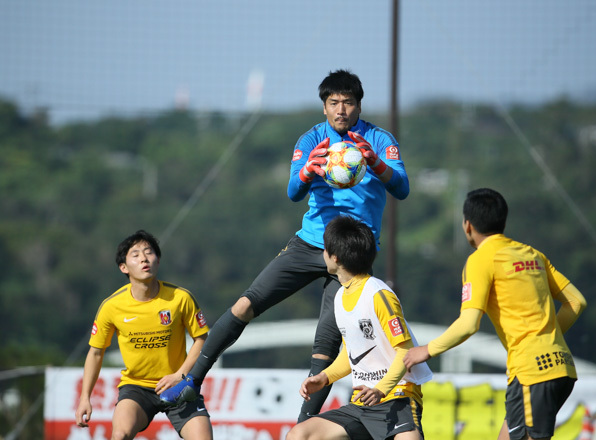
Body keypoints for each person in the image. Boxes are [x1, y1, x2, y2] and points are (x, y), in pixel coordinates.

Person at [160, 69, 410, 422]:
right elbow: (294, 192)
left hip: (353, 251)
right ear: (324, 106)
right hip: (311, 243)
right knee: (246, 304)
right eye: (334, 102)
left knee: (327, 341)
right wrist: (309, 171)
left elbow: (402, 188)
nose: (341, 110)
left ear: (359, 105)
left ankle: (304, 425)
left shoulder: (379, 139)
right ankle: (192, 381)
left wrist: (376, 164)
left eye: (349, 103)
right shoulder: (311, 140)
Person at [403, 188, 587, 440]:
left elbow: (468, 323)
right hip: (561, 366)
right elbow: (577, 302)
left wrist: (426, 350)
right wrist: (546, 335)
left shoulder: (480, 260)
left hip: (532, 372)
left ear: (467, 225)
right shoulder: (532, 254)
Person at [286, 215, 433, 440]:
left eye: (324, 249)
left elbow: (406, 352)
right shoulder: (340, 297)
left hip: (397, 398)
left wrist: (381, 389)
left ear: (334, 257)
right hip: (362, 405)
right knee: (300, 435)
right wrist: (324, 378)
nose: (323, 254)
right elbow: (352, 354)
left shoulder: (378, 294)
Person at [75, 230, 213, 439]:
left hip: (179, 385)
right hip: (136, 388)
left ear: (158, 260)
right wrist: (85, 398)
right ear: (123, 267)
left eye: (149, 252)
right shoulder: (112, 306)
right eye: (136, 254)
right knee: (120, 435)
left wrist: (180, 375)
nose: (144, 258)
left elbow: (202, 339)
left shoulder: (181, 298)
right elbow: (95, 353)